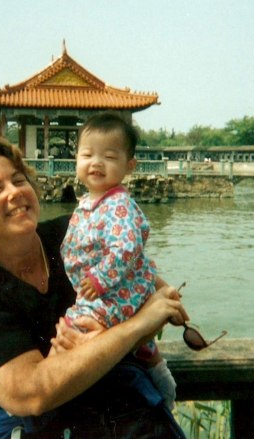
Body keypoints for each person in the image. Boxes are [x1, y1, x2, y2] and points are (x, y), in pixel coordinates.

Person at [0, 138, 188, 438]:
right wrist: (131, 328)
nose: (15, 192)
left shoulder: (75, 233)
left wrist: (96, 341)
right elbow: (31, 395)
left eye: (19, 180)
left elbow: (164, 298)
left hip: (115, 415)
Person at [60, 112, 177, 409]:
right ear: (77, 159)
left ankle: (42, 389)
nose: (96, 162)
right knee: (139, 346)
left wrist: (99, 278)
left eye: (109, 157)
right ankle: (157, 370)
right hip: (107, 287)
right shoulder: (88, 203)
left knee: (71, 329)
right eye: (87, 154)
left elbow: (126, 247)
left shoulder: (118, 203)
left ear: (129, 166)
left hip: (113, 289)